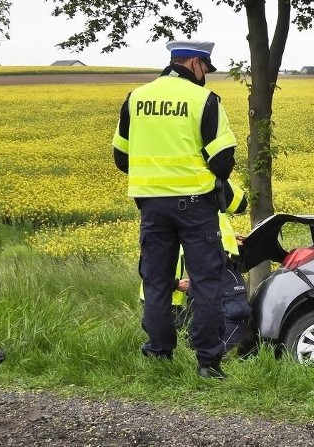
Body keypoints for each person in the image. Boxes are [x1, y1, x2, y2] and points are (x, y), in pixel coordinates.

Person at [112, 39, 236, 379]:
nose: (206, 76)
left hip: (152, 207)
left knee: (156, 281)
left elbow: (121, 157)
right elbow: (223, 161)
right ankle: (208, 364)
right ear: (195, 63)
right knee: (206, 283)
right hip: (195, 206)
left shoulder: (136, 98)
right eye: (206, 69)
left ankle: (158, 355)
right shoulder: (203, 100)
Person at [139, 179, 254, 354]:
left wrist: (229, 234)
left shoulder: (153, 182)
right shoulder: (201, 169)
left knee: (191, 322)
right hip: (204, 259)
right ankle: (212, 359)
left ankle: (163, 362)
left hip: (157, 295)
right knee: (235, 310)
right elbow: (239, 202)